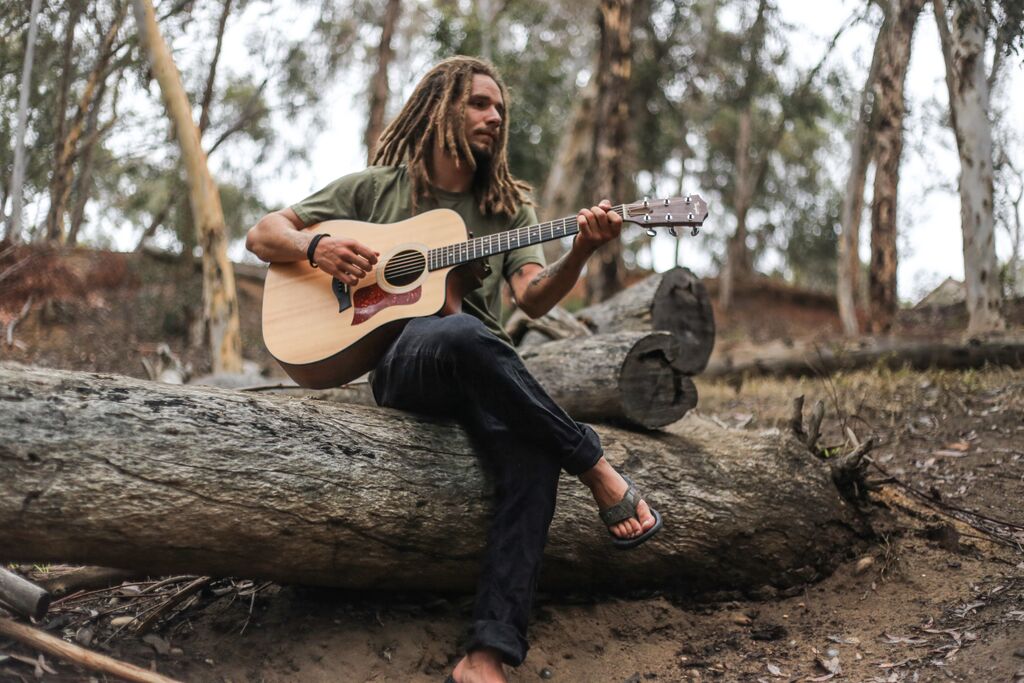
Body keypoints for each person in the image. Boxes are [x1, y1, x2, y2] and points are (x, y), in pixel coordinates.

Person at [246, 56, 662, 683]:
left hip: (488, 373)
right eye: (479, 103)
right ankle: (594, 463)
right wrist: (317, 246)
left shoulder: (509, 206)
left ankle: (485, 655)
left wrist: (580, 250)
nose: (495, 116)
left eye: (500, 108)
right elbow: (262, 234)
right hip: (406, 362)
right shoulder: (374, 189)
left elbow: (532, 298)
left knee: (533, 458)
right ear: (439, 107)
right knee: (461, 332)